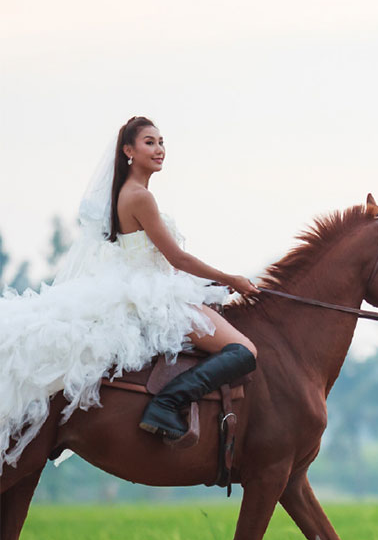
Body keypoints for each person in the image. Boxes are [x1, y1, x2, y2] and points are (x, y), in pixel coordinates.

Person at [0, 116, 259, 465]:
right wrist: (233, 278)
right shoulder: (139, 197)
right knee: (244, 351)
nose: (159, 149)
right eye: (149, 142)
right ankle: (168, 403)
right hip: (154, 296)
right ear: (128, 151)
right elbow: (177, 257)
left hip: (151, 284)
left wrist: (210, 283)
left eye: (161, 142)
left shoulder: (130, 194)